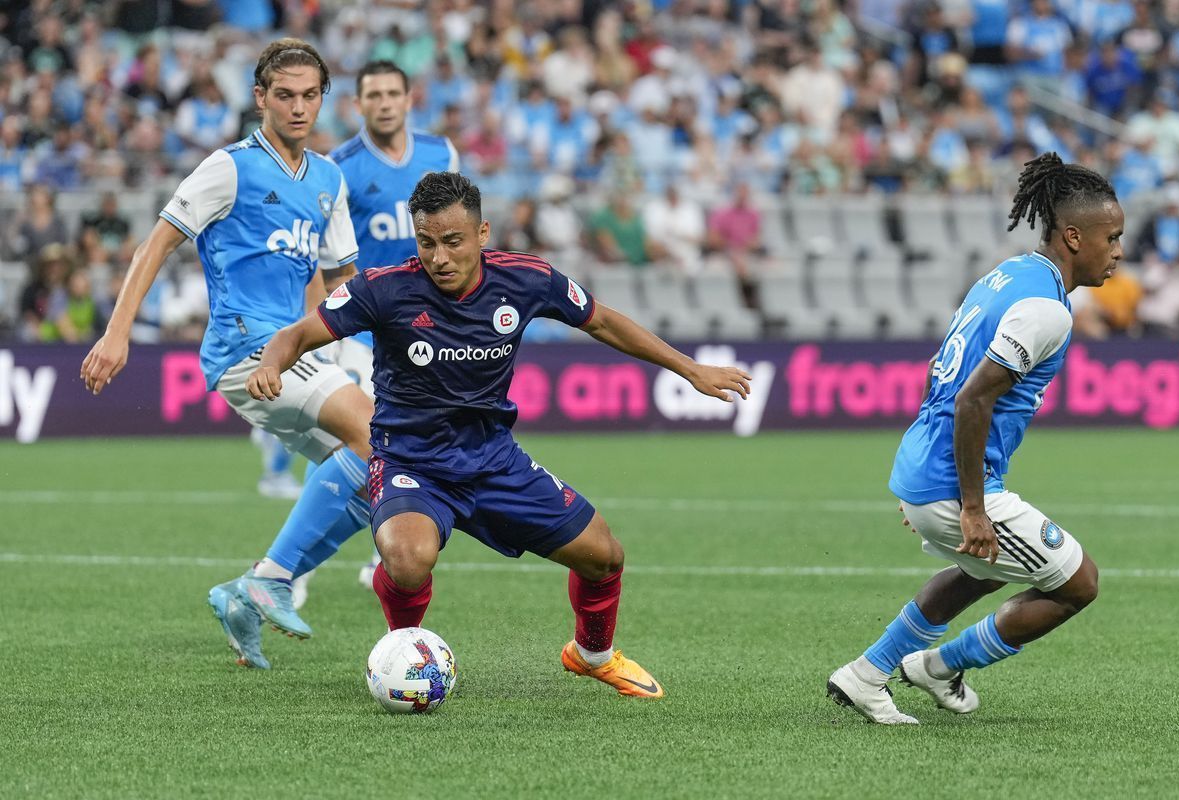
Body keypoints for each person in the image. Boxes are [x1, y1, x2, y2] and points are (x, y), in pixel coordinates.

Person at [244, 172, 752, 698]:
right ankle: (405, 651)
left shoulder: (527, 279)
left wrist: (689, 368)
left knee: (604, 555)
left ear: (482, 233)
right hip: (410, 463)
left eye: (453, 241)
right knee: (407, 558)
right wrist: (272, 365)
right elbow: (299, 333)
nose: (439, 257)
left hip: (494, 461)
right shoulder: (385, 288)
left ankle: (592, 654)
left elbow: (602, 322)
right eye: (427, 243)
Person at [80, 39, 372, 670]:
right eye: (285, 95)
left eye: (310, 95)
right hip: (244, 350)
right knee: (373, 434)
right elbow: (154, 246)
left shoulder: (329, 179)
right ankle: (273, 577)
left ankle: (248, 591)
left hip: (300, 350)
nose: (299, 108)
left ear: (324, 98)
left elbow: (335, 279)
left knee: (385, 475)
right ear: (260, 98)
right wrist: (117, 332)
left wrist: (345, 345)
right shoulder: (229, 167)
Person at [827, 152, 1121, 724]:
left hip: (926, 466)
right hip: (949, 481)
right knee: (1078, 584)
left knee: (978, 573)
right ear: (1072, 236)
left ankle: (867, 673)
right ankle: (936, 666)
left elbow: (946, 372)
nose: (1118, 251)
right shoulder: (1047, 310)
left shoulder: (1008, 273)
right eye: (1111, 238)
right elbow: (973, 398)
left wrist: (927, 484)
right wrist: (970, 506)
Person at [327, 60, 460, 589]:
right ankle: (302, 559)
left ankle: (393, 540)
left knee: (428, 436)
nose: (383, 102)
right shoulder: (341, 166)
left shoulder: (441, 154)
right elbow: (331, 257)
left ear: (410, 99)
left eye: (392, 93)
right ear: (358, 105)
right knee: (368, 439)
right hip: (369, 327)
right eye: (373, 94)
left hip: (434, 324)